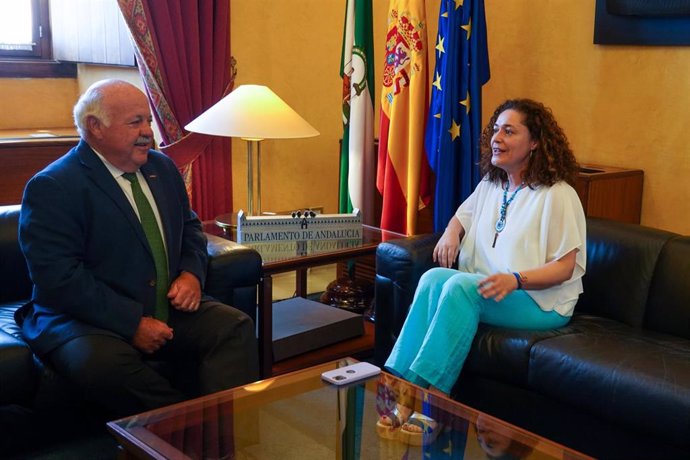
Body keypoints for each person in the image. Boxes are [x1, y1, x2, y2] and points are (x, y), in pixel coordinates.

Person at [16, 79, 259, 417]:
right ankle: (185, 433)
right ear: (95, 127)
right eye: (136, 122)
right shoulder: (55, 186)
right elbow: (58, 277)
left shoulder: (162, 168)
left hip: (163, 302)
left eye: (148, 120)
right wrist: (132, 324)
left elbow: (189, 227)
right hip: (84, 317)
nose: (149, 131)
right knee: (103, 365)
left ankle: (232, 433)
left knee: (233, 326)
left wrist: (191, 272)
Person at [379, 99, 586, 442]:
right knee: (432, 278)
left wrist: (516, 280)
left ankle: (434, 403)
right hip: (493, 290)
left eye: (509, 131)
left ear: (535, 142)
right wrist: (450, 232)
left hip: (539, 301)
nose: (496, 138)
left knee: (461, 287)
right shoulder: (494, 184)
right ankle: (398, 384)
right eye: (495, 130)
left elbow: (565, 268)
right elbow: (464, 215)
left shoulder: (558, 194)